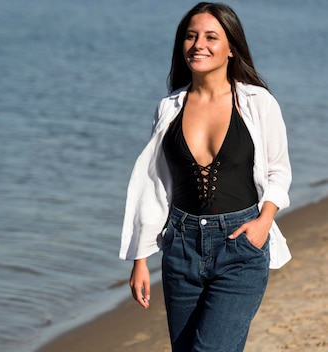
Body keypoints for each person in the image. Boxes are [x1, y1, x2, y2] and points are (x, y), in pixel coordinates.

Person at [118, 2, 292, 351]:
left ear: (231, 48)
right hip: (180, 248)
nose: (199, 44)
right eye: (191, 36)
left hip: (240, 245)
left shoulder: (258, 103)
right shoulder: (169, 108)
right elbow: (155, 189)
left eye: (211, 37)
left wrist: (263, 222)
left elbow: (278, 170)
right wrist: (140, 260)